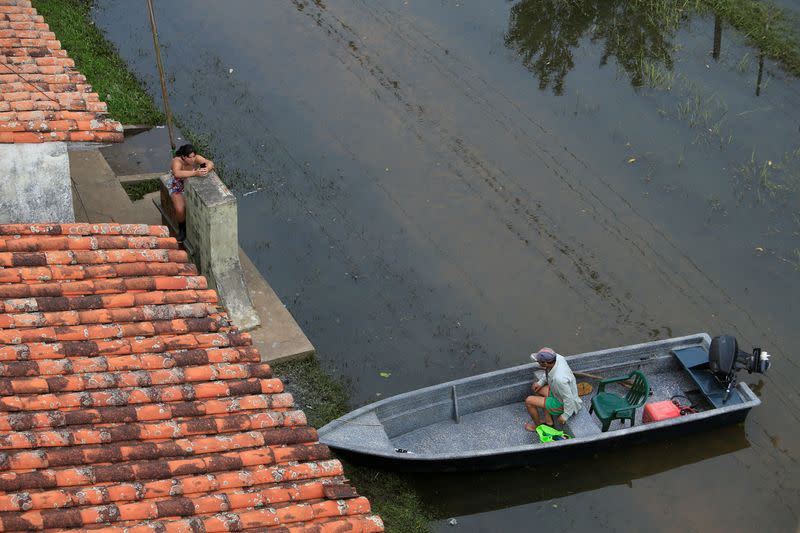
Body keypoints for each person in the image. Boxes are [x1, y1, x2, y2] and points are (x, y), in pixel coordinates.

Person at [524, 347, 582, 432]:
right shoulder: (558, 357)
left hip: (561, 403)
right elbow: (548, 372)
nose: (538, 363)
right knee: (536, 388)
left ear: (546, 363)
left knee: (529, 401)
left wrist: (565, 415)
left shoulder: (559, 379)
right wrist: (540, 383)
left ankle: (538, 427)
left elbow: (568, 398)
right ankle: (548, 420)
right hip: (557, 393)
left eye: (539, 362)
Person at [169, 144, 214, 241]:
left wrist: (207, 168)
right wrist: (195, 173)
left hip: (191, 183)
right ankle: (182, 228)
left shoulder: (196, 158)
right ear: (184, 157)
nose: (193, 159)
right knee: (180, 209)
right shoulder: (177, 161)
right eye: (190, 157)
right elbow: (177, 173)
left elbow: (209, 163)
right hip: (177, 186)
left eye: (194, 156)